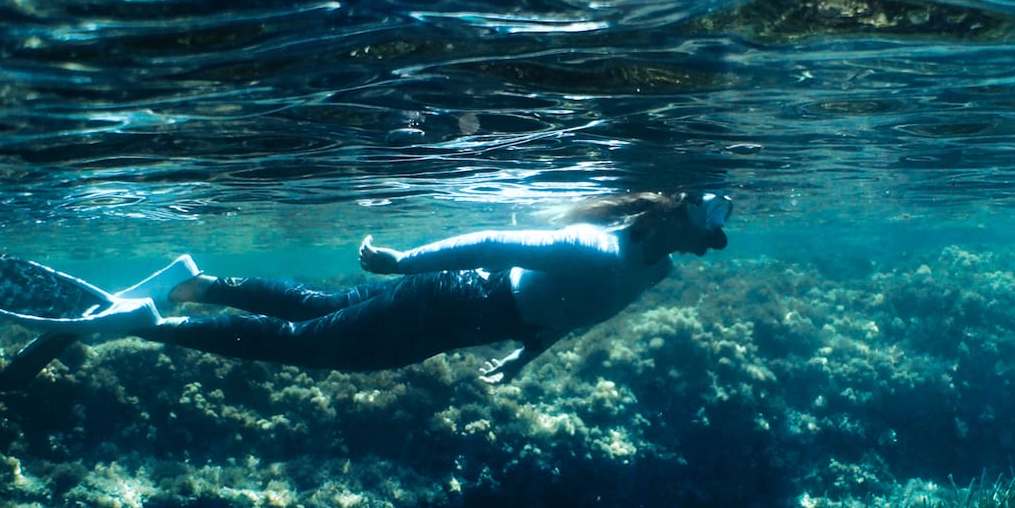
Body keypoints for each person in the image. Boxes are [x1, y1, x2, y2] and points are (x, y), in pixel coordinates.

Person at [145, 191, 732, 382]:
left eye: (710, 240)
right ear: (671, 216)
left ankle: (196, 286)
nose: (705, 245)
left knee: (319, 310)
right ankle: (156, 326)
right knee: (306, 342)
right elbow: (491, 244)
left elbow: (586, 310)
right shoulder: (600, 248)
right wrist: (403, 264)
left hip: (463, 313)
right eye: (703, 232)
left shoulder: (656, 268)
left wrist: (527, 355)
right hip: (453, 301)